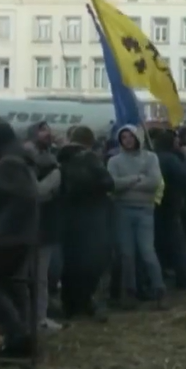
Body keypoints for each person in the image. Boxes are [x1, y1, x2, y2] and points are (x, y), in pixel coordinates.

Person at [0, 121, 40, 358]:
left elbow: (21, 199)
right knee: (16, 287)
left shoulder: (8, 163)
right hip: (23, 233)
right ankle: (22, 337)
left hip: (9, 236)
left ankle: (18, 336)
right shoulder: (19, 158)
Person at [57, 126, 114, 321]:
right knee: (92, 262)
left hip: (68, 217)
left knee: (71, 264)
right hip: (92, 216)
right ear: (89, 141)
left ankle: (70, 305)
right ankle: (85, 302)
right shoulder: (91, 159)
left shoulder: (59, 159)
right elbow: (108, 183)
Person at [106, 125, 166, 309]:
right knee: (127, 254)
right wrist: (136, 178)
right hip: (122, 210)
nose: (128, 140)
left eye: (130, 136)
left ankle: (159, 290)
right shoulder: (114, 161)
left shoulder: (150, 158)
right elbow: (113, 184)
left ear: (137, 137)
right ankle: (129, 293)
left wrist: (127, 184)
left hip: (145, 210)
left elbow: (154, 182)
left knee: (147, 252)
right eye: (123, 137)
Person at [26, 121, 63, 331]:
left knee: (40, 276)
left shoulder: (51, 156)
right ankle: (36, 318)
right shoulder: (30, 160)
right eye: (43, 130)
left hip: (45, 224)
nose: (48, 133)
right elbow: (36, 193)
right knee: (36, 276)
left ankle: (39, 316)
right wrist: (55, 177)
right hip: (33, 225)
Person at [149, 128, 186, 290]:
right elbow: (184, 178)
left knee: (156, 243)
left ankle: (160, 274)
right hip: (171, 205)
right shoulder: (171, 159)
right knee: (178, 244)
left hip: (153, 205)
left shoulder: (152, 158)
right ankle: (184, 277)